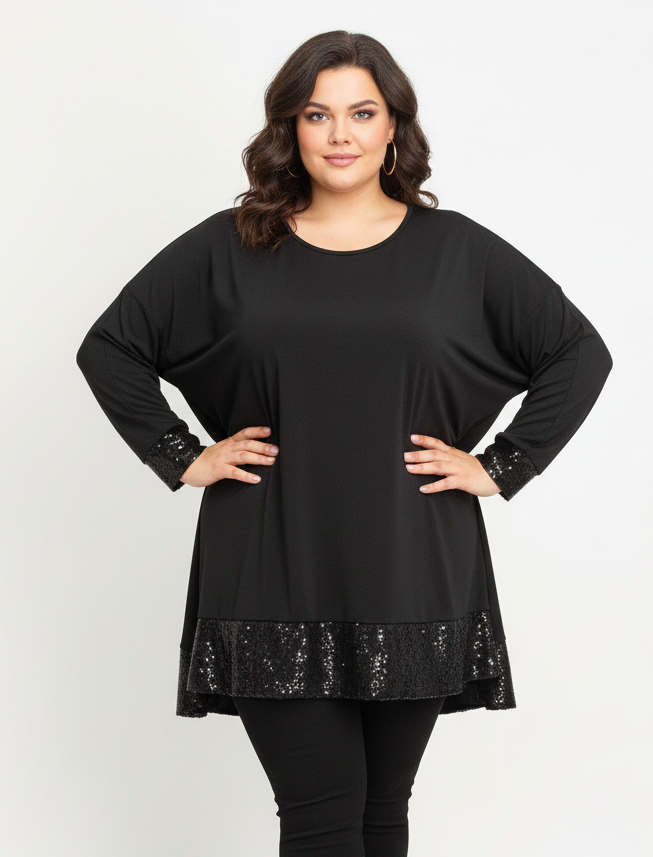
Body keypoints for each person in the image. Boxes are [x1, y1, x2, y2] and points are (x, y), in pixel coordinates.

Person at [75, 29, 612, 857]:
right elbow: (110, 346)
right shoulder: (231, 244)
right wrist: (181, 454)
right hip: (270, 567)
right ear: (289, 127)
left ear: (393, 125)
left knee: (380, 813)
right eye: (316, 114)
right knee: (321, 816)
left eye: (361, 113)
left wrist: (501, 465)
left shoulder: (454, 248)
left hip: (411, 568)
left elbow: (577, 352)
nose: (339, 134)